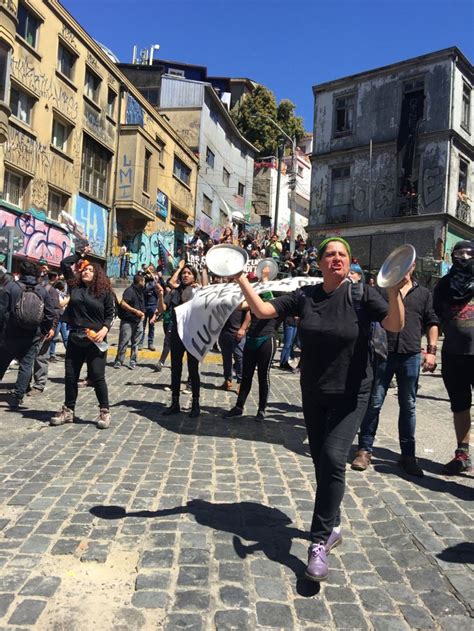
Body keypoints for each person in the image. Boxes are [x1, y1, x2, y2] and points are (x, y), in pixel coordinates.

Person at [233, 237, 405, 582]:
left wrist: (394, 291)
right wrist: (241, 278)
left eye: (342, 254)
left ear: (349, 261)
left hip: (353, 392)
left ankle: (318, 541)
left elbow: (395, 325)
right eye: (330, 254)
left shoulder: (363, 294)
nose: (336, 258)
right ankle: (334, 523)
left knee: (332, 457)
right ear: (321, 262)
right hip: (313, 391)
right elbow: (265, 311)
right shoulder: (306, 295)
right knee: (321, 464)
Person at [351, 263, 439, 477]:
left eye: (407, 265)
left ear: (413, 267)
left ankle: (408, 455)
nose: (403, 270)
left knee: (408, 405)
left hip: (410, 354)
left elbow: (432, 322)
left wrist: (432, 351)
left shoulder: (424, 294)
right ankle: (364, 449)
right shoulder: (382, 290)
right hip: (384, 353)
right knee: (374, 402)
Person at [51, 248, 115, 429]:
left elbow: (110, 314)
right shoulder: (75, 286)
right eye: (84, 269)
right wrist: (80, 255)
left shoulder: (104, 292)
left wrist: (105, 328)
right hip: (76, 337)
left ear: (97, 275)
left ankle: (104, 411)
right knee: (71, 376)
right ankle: (68, 410)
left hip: (95, 339)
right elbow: (64, 264)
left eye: (90, 270)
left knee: (97, 376)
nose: (86, 271)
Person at [433, 240, 473, 475]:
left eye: (469, 253)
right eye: (458, 253)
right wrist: (429, 349)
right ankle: (462, 454)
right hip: (453, 355)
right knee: (459, 406)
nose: (463, 258)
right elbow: (434, 318)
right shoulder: (444, 286)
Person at [0, 260, 56, 408]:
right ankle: (18, 396)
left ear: (21, 272)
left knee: (2, 362)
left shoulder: (11, 287)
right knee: (26, 365)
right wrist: (44, 330)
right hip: (33, 335)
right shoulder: (42, 290)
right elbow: (50, 313)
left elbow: (1, 310)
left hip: (10, 333)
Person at [225, 276, 280, 421]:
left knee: (263, 376)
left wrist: (265, 279)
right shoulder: (253, 301)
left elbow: (268, 296)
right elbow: (238, 306)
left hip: (266, 340)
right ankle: (239, 407)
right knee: (246, 376)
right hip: (251, 340)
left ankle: (261, 409)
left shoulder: (276, 300)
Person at [158, 261, 203, 418]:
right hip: (177, 334)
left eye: (189, 273)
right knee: (175, 369)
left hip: (192, 335)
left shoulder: (199, 291)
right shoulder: (174, 292)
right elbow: (162, 309)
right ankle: (175, 403)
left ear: (194, 276)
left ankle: (195, 404)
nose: (185, 275)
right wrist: (160, 294)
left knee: (193, 370)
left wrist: (201, 289)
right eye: (184, 273)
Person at [218, 294, 250, 391]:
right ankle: (227, 380)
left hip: (237, 332)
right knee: (226, 357)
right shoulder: (225, 295)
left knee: (239, 357)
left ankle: (241, 382)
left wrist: (243, 328)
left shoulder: (244, 296)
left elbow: (249, 314)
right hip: (224, 332)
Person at [114, 274, 145, 370]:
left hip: (138, 321)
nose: (144, 283)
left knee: (136, 343)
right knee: (124, 341)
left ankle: (133, 360)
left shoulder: (140, 292)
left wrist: (142, 314)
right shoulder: (130, 291)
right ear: (140, 281)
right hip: (128, 321)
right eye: (143, 281)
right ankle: (119, 360)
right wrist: (136, 311)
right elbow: (123, 303)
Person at [140, 267, 158, 351]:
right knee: (141, 326)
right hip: (144, 306)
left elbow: (157, 285)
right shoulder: (144, 280)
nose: (148, 271)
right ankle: (140, 343)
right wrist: (144, 274)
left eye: (150, 270)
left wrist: (152, 275)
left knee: (151, 326)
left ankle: (150, 343)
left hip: (152, 306)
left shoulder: (155, 280)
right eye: (147, 270)